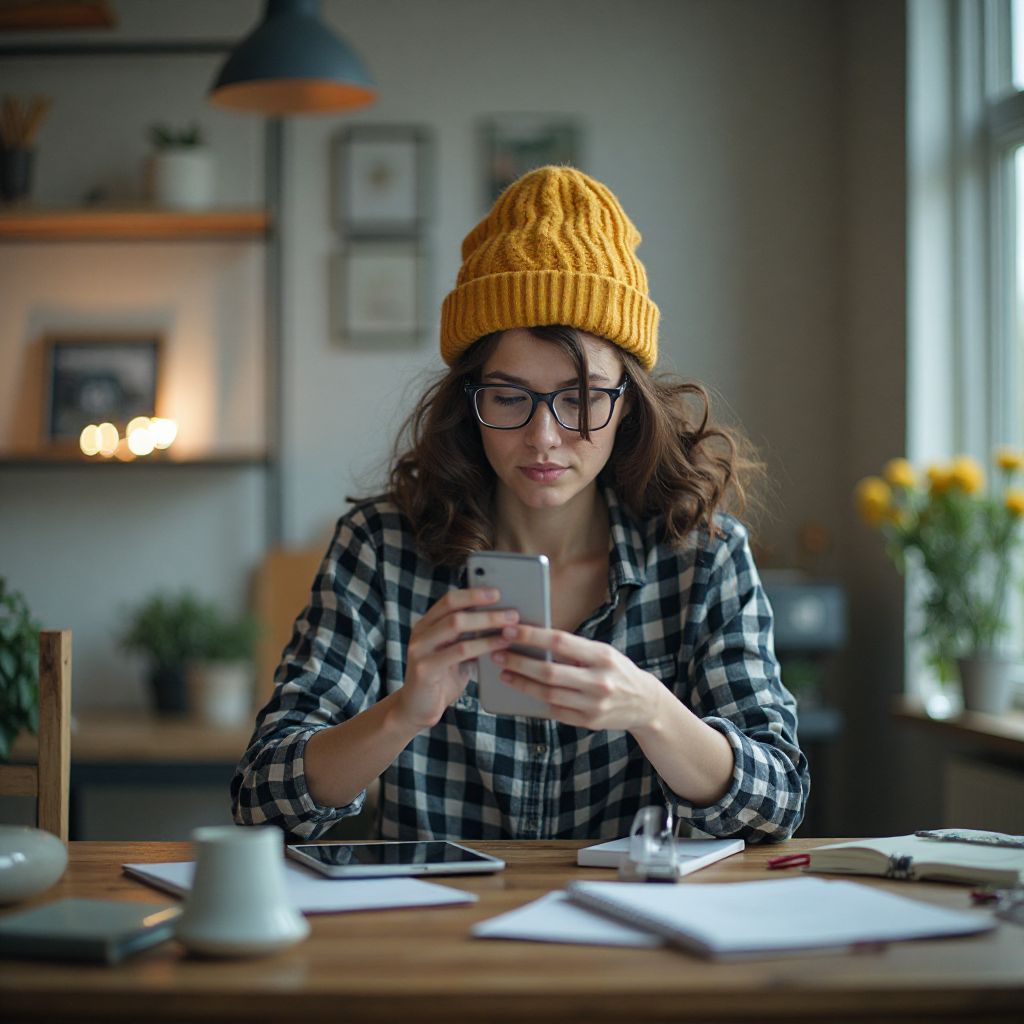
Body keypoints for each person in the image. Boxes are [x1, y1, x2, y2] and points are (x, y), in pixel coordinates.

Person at [232, 166, 809, 842]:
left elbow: (778, 804)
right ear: (468, 402)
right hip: (436, 933)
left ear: (629, 402)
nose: (543, 438)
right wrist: (402, 714)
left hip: (636, 937)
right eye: (508, 396)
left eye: (583, 398)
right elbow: (262, 799)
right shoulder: (383, 546)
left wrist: (652, 710)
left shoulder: (701, 554)